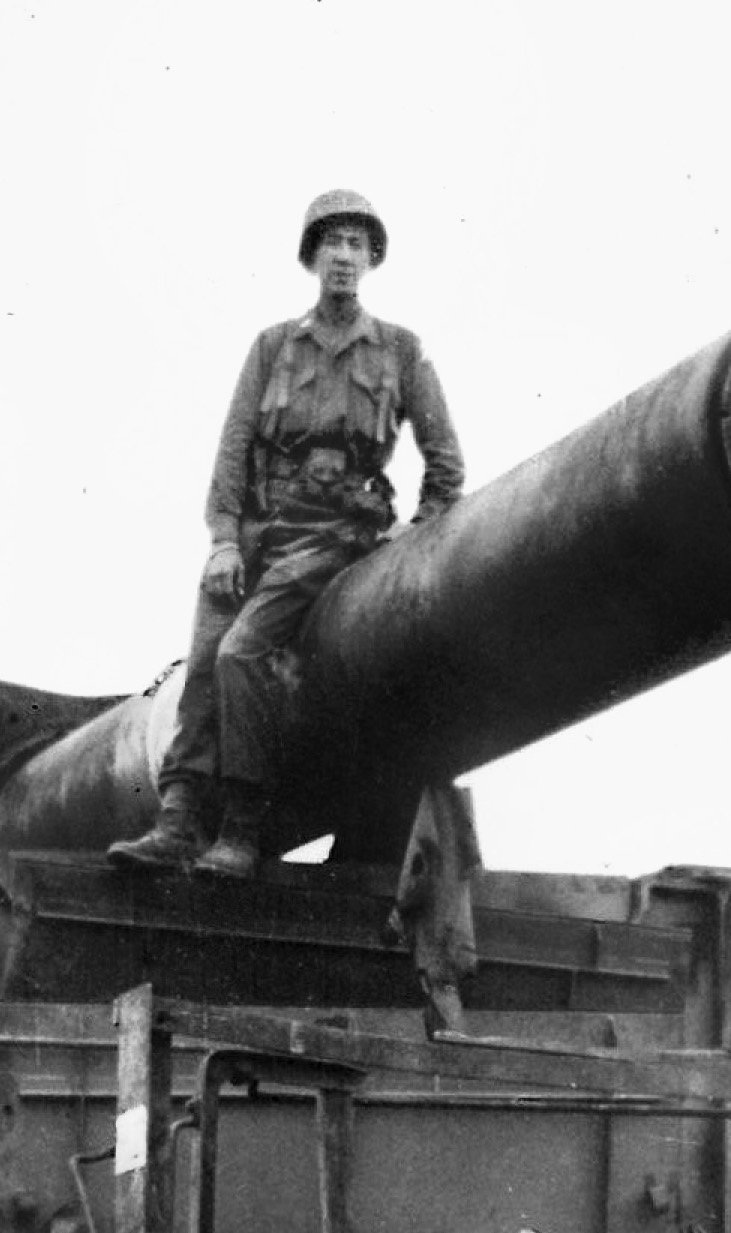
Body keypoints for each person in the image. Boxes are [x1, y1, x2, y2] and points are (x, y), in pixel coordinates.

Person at [110, 188, 465, 880]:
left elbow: (446, 464)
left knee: (244, 653)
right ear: (312, 256)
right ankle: (179, 819)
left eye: (356, 245)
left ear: (370, 260)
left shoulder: (399, 350)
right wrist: (220, 539)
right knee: (206, 653)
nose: (342, 257)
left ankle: (240, 828)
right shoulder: (274, 346)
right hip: (258, 527)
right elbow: (233, 447)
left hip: (334, 533)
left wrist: (413, 537)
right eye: (331, 243)